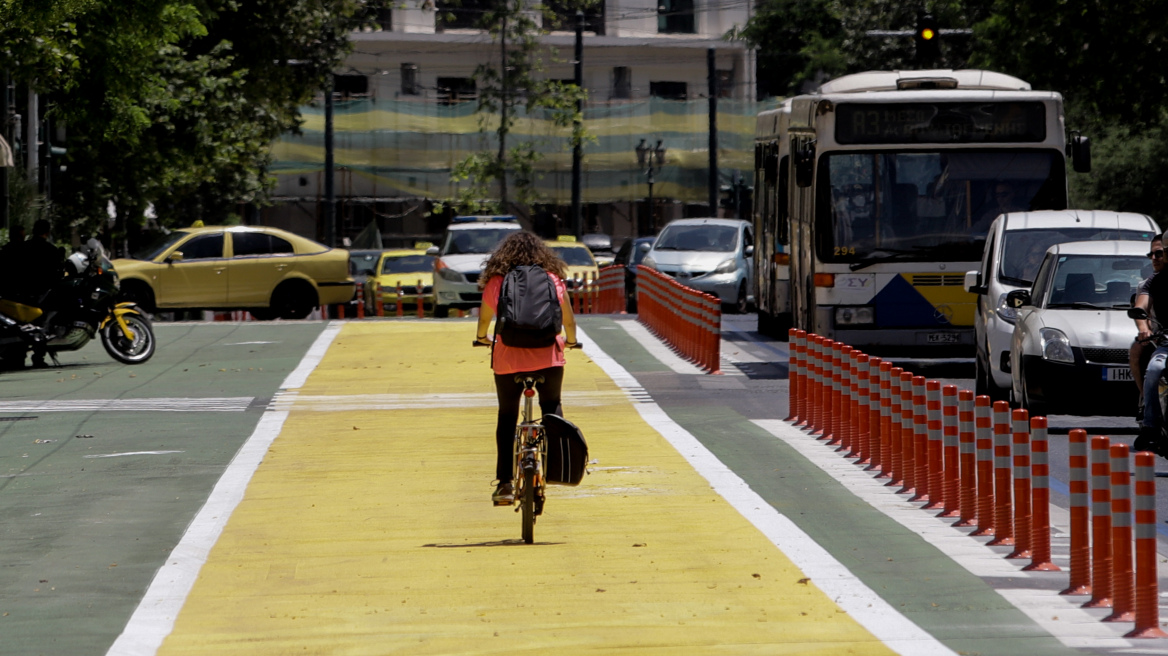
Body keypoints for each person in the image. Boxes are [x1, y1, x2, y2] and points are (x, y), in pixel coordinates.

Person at [473, 231, 578, 505]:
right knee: (552, 405)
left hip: (508, 359)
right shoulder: (553, 279)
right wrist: (572, 341)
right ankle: (556, 467)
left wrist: (482, 338)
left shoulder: (497, 281)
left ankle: (505, 483)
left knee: (507, 416)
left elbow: (484, 322)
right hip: (548, 357)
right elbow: (568, 321)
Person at [1138, 232, 1168, 454]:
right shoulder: (1155, 281)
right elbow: (1141, 307)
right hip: (1166, 342)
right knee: (1155, 368)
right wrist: (1144, 328)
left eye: (1162, 252)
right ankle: (1150, 426)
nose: (1158, 257)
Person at [1130, 234, 1164, 412]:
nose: (1154, 259)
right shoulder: (1149, 283)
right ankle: (1146, 402)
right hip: (1158, 338)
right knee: (1150, 364)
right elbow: (1141, 310)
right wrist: (1145, 330)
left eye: (1159, 254)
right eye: (1150, 255)